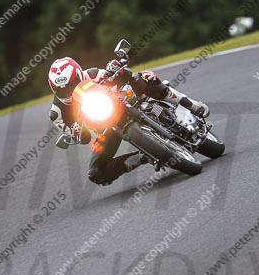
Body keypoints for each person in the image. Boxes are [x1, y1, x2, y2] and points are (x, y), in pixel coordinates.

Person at [48, 56, 210, 186]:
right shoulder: (57, 113)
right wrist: (75, 133)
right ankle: (145, 156)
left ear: (79, 74)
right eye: (62, 89)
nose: (69, 90)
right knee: (96, 173)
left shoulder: (92, 74)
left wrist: (116, 67)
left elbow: (120, 76)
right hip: (106, 128)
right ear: (54, 88)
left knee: (143, 77)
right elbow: (83, 138)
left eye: (72, 84)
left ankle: (190, 103)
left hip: (121, 102)